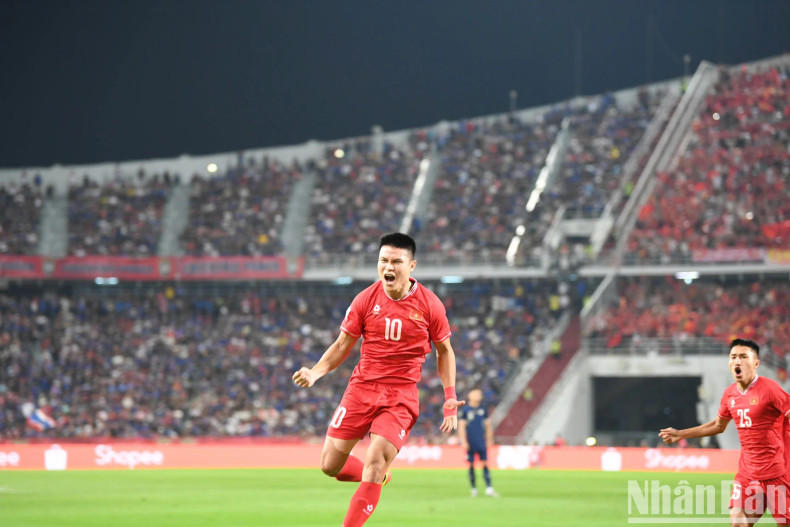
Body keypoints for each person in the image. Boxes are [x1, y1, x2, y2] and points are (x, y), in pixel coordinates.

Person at [292, 232, 465, 527]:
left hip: (400, 396)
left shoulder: (430, 305)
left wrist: (450, 397)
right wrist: (315, 372)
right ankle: (382, 476)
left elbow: (445, 351)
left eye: (396, 261)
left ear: (411, 266)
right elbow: (342, 345)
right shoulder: (365, 299)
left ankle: (369, 488)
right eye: (383, 260)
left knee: (374, 462)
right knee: (329, 465)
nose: (388, 266)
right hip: (361, 389)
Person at [659, 339, 790, 527]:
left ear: (756, 363)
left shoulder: (770, 389)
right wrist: (681, 434)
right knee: (738, 523)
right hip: (747, 475)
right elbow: (718, 425)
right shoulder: (730, 394)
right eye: (733, 357)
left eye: (743, 357)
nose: (737, 361)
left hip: (778, 474)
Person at [458, 388, 498, 497]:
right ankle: (474, 489)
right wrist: (463, 441)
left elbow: (488, 425)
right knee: (471, 464)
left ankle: (489, 488)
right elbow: (461, 427)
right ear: (470, 396)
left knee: (485, 463)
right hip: (470, 442)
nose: (478, 395)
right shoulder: (465, 410)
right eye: (475, 393)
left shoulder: (483, 409)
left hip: (481, 441)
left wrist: (489, 439)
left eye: (479, 394)